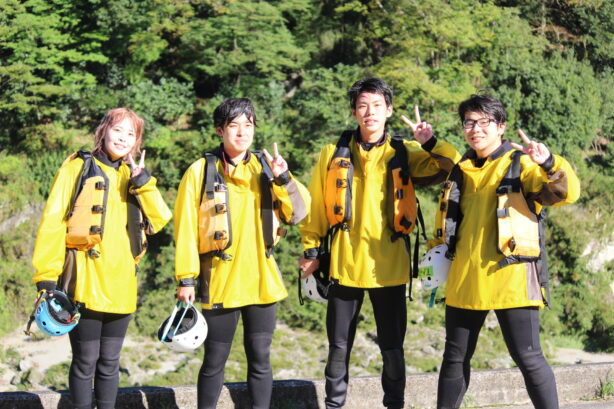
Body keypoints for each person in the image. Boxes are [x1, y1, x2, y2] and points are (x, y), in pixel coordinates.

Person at [299, 77, 461, 409]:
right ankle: (333, 405)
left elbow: (451, 165)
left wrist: (429, 142)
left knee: (392, 347)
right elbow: (316, 206)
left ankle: (395, 404)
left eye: (376, 105)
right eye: (362, 106)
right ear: (354, 112)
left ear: (388, 110)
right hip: (344, 264)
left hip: (390, 265)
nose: (369, 112)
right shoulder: (332, 153)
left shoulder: (405, 152)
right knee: (338, 346)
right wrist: (311, 250)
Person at [434, 94, 581, 409]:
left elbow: (565, 193)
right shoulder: (461, 169)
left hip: (512, 278)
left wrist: (548, 163)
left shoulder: (521, 163)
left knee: (528, 356)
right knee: (455, 357)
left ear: (501, 126)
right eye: (469, 123)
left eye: (484, 122)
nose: (475, 129)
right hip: (465, 277)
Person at [174, 98, 311, 409]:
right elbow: (185, 229)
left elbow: (300, 212)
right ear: (220, 130)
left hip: (261, 279)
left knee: (261, 357)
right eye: (233, 125)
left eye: (247, 125)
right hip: (220, 279)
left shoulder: (267, 167)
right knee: (215, 359)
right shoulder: (199, 171)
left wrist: (284, 178)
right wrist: (186, 279)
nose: (241, 132)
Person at [32, 108, 172, 409]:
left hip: (122, 285)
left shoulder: (133, 176)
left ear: (137, 142)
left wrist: (144, 181)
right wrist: (46, 277)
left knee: (110, 362)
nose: (123, 138)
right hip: (86, 282)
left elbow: (160, 219)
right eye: (117, 130)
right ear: (103, 131)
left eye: (130, 134)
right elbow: (53, 222)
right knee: (85, 360)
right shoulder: (77, 167)